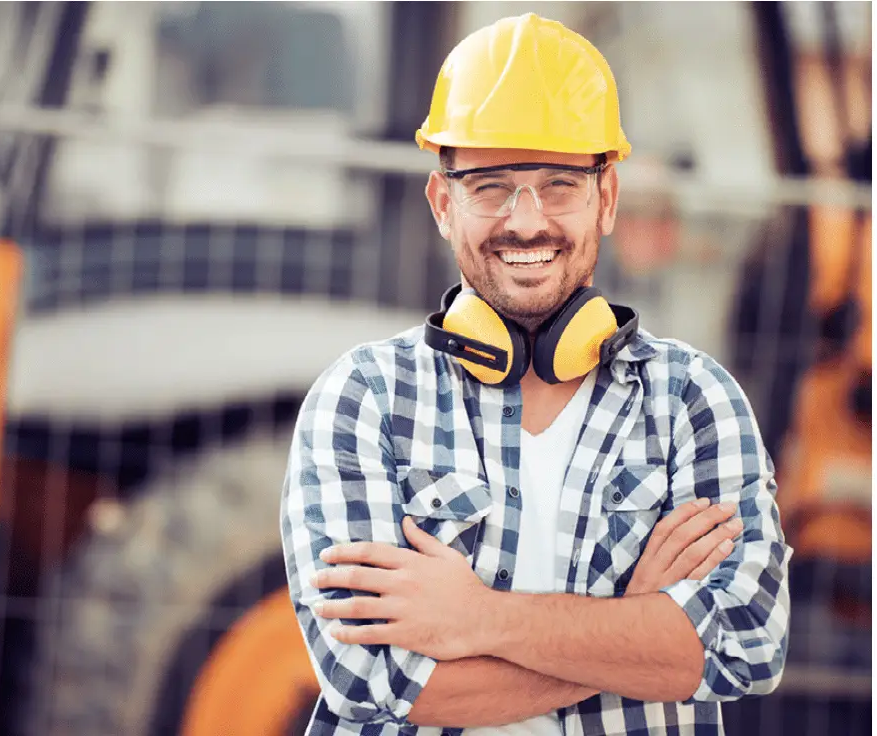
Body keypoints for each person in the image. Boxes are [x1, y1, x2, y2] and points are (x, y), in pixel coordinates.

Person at [280, 13, 790, 736]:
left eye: (559, 184)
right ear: (443, 202)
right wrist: (632, 626)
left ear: (605, 200)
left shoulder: (694, 403)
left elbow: (743, 648)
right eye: (490, 185)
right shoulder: (362, 399)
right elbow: (373, 681)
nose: (527, 221)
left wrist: (476, 618)